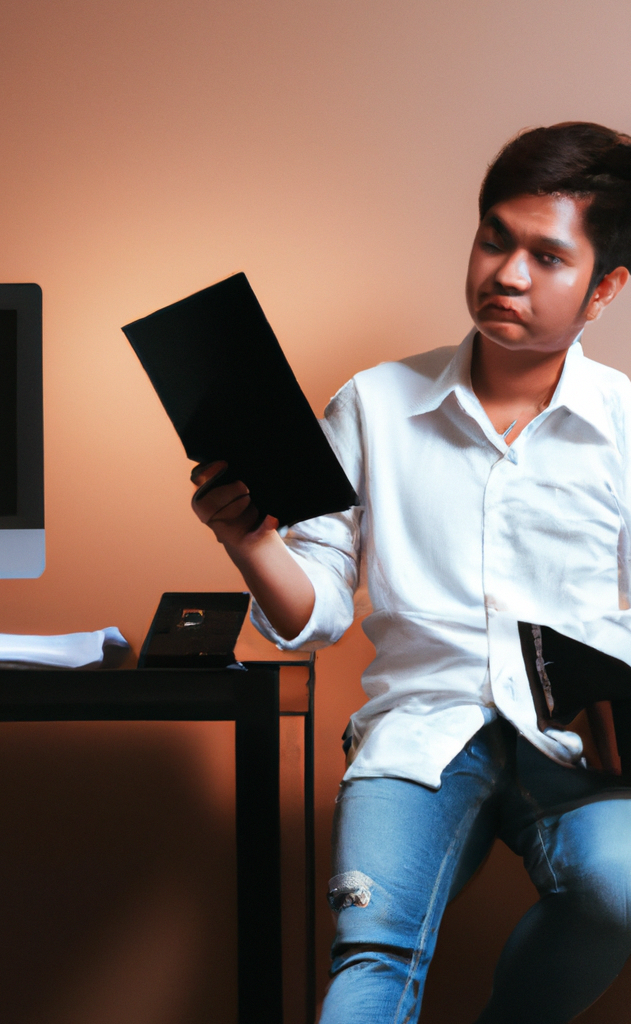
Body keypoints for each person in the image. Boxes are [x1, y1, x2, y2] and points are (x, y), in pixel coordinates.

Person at [191, 122, 631, 1023]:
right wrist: (247, 540)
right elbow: (313, 610)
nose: (506, 272)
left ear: (605, 288)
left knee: (621, 892)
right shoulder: (372, 405)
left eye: (547, 256)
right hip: (419, 734)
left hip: (584, 741)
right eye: (493, 238)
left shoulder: (628, 427)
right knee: (372, 950)